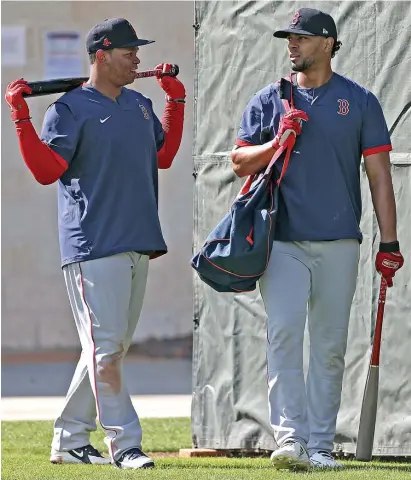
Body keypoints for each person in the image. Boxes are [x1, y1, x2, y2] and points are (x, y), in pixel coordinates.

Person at [5, 18, 186, 469]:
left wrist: (175, 101)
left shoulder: (141, 105)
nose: (138, 59)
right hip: (92, 245)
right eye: (129, 52)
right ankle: (126, 445)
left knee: (108, 349)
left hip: (138, 240)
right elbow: (47, 171)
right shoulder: (67, 110)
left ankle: (68, 440)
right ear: (102, 56)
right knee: (106, 350)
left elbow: (163, 157)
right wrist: (21, 118)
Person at [230, 7, 404, 471]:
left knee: (329, 347)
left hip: (340, 243)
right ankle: (290, 439)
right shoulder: (269, 100)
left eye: (302, 38)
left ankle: (322, 446)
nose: (292, 45)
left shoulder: (360, 101)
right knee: (284, 336)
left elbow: (379, 176)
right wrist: (274, 144)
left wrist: (389, 242)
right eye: (289, 38)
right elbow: (238, 162)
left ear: (327, 43)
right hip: (281, 241)